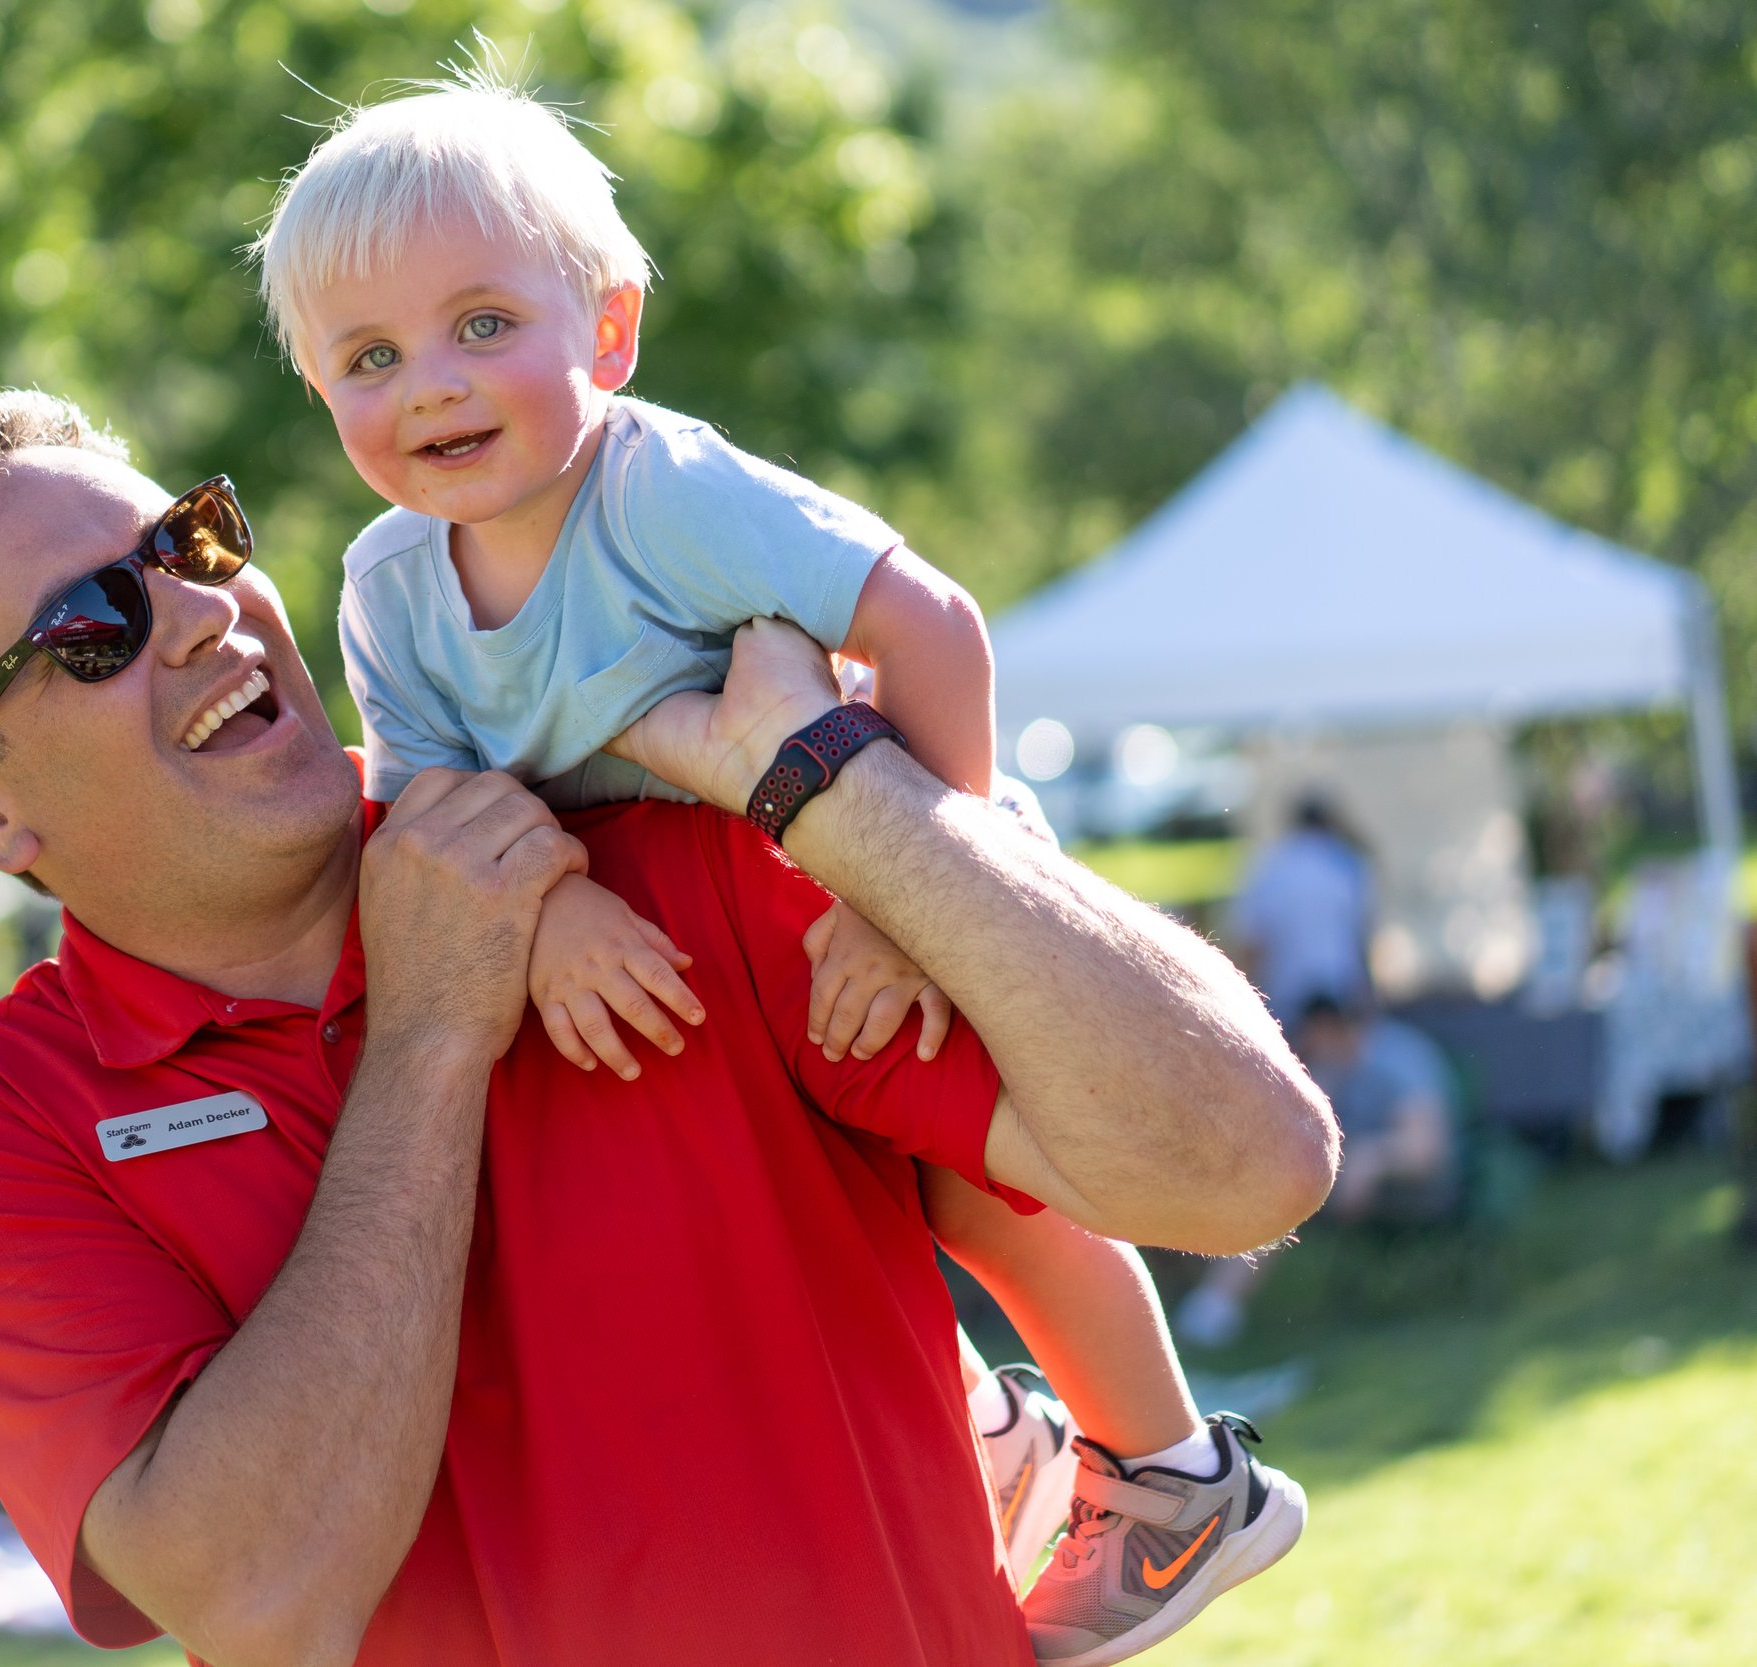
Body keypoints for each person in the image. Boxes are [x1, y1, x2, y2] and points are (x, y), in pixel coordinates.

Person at [0, 390, 1334, 1666]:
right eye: (94, 619)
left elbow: (1245, 1160)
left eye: (191, 539)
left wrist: (837, 781)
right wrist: (431, 1034)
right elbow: (264, 1603)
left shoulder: (644, 837)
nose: (206, 610)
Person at [249, 73, 1287, 1661]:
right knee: (762, 1172)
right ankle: (979, 1421)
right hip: (674, 910)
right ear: (321, 391)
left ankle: (1164, 1466)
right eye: (371, 358)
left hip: (868, 835)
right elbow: (434, 805)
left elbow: (929, 624)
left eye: (479, 326)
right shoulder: (389, 587)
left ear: (607, 332)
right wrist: (555, 914)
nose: (432, 386)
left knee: (978, 1167)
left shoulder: (659, 492)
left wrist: (914, 897)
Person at [1176, 994, 1461, 1348]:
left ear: (1332, 1028)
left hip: (1420, 1189)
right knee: (1275, 1188)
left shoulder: (1395, 1059)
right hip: (1354, 1187)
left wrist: (1371, 1160)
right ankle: (1209, 1307)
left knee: (1283, 1195)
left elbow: (1425, 1150)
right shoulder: (1335, 1068)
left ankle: (1209, 1315)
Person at [1231, 795, 1374, 1031]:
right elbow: (1362, 937)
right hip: (1340, 996)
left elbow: (1253, 944)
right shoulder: (1349, 865)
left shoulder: (1270, 867)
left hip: (1286, 997)